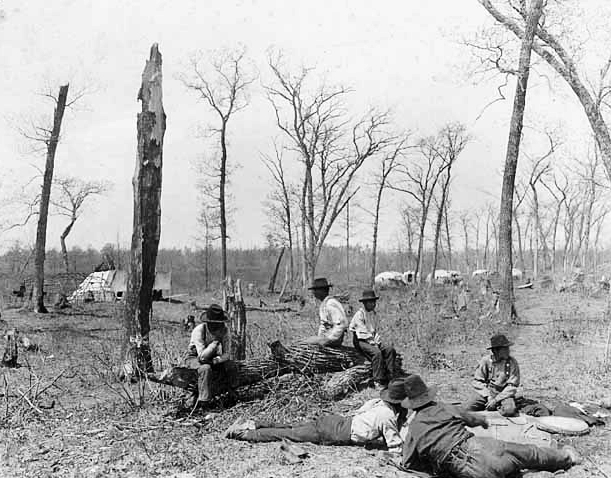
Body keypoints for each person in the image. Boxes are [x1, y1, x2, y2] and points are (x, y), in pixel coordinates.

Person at [401, 375, 580, 478]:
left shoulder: (414, 427)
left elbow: (408, 462)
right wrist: (484, 422)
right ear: (428, 396)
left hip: (465, 471)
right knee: (529, 452)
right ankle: (566, 457)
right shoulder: (444, 408)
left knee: (511, 470)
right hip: (482, 447)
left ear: (413, 404)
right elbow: (474, 419)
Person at [224, 378, 408, 453]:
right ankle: (241, 434)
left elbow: (362, 413)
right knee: (290, 434)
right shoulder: (388, 415)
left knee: (291, 427)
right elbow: (395, 447)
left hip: (337, 421)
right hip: (335, 432)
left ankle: (255, 423)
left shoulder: (378, 403)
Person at [183, 303, 236, 408]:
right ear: (208, 322)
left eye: (219, 323)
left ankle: (230, 396)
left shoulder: (225, 330)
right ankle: (204, 402)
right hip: (194, 357)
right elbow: (202, 357)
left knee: (231, 366)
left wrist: (216, 361)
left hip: (212, 357)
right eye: (214, 323)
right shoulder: (199, 330)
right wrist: (214, 343)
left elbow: (227, 354)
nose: (217, 326)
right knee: (205, 369)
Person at [349, 289, 397, 390]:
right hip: (360, 340)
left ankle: (390, 376)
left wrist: (377, 341)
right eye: (370, 302)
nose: (373, 304)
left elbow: (375, 331)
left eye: (374, 302)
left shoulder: (373, 314)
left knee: (389, 349)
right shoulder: (360, 315)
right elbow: (362, 333)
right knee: (377, 353)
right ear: (365, 303)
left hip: (371, 338)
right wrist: (373, 343)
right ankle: (378, 380)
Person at [463, 333, 520, 417]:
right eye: (505, 349)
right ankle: (490, 406)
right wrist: (488, 396)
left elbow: (512, 386)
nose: (508, 351)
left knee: (509, 411)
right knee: (466, 408)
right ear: (495, 351)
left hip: (504, 395)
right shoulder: (485, 361)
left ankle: (495, 406)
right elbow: (477, 381)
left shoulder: (512, 362)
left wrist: (496, 400)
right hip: (487, 393)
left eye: (508, 348)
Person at [305, 277, 349, 347]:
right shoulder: (324, 304)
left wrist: (329, 339)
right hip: (327, 336)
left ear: (322, 291)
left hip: (334, 338)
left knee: (307, 342)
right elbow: (323, 325)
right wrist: (320, 337)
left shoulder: (330, 303)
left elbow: (341, 324)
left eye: (316, 290)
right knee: (308, 340)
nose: (314, 292)